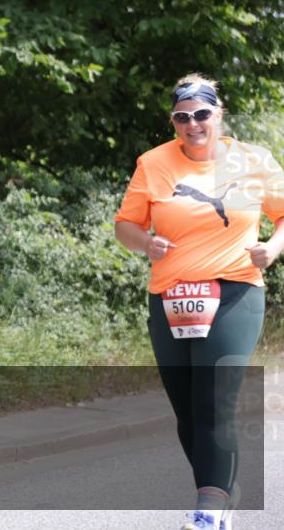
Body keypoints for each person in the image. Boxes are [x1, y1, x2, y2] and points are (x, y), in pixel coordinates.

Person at [115, 74, 284, 530]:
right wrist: (145, 243)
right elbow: (125, 225)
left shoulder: (254, 160)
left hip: (235, 289)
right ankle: (223, 489)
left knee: (214, 402)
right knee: (187, 410)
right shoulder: (154, 163)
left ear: (218, 113)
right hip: (170, 295)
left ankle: (209, 511)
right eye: (182, 117)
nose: (193, 124)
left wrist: (274, 246)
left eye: (201, 114)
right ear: (173, 121)